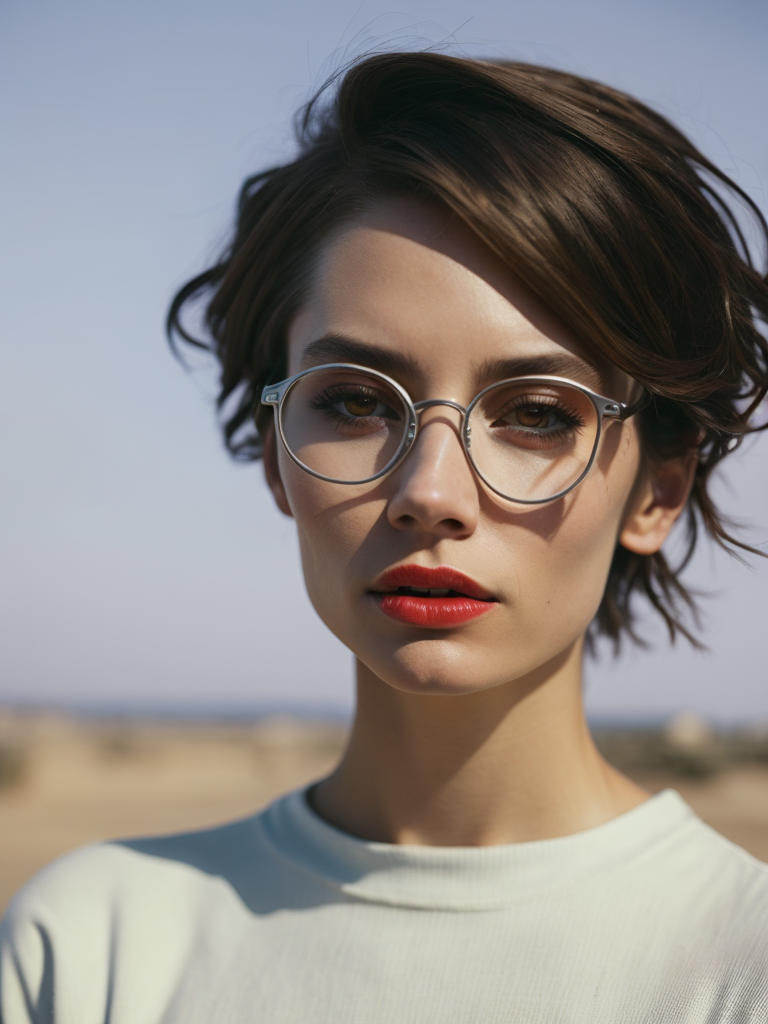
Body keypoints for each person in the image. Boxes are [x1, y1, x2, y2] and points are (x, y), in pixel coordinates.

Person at [2, 51, 767, 1024]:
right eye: (357, 400)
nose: (430, 492)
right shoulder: (89, 947)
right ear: (277, 453)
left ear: (660, 488)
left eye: (537, 412)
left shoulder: (743, 969)